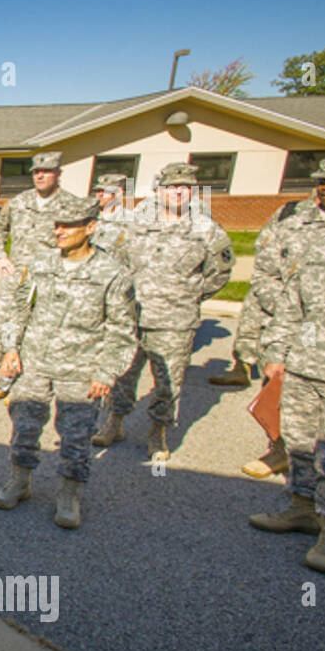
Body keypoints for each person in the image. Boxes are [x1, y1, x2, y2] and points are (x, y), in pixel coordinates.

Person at [0, 197, 137, 528]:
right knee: (25, 425)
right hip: (34, 362)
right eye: (57, 225)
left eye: (68, 225)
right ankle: (19, 481)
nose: (59, 231)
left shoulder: (112, 274)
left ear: (90, 227)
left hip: (82, 369)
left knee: (76, 435)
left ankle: (69, 494)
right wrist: (11, 349)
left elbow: (122, 330)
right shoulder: (40, 264)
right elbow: (18, 309)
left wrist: (107, 372)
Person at [219, 156, 325, 479]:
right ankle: (292, 480)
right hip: (300, 339)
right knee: (293, 421)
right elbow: (272, 276)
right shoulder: (297, 222)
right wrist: (280, 335)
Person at [251, 170, 325, 573]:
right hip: (305, 368)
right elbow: (294, 308)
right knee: (298, 444)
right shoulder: (321, 249)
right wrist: (278, 350)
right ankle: (301, 509)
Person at [93, 162, 233, 460]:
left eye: (185, 187)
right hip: (132, 317)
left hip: (175, 322)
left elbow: (220, 273)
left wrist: (189, 294)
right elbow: (115, 264)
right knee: (121, 375)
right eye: (171, 187)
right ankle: (113, 423)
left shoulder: (207, 230)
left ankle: (157, 433)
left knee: (168, 382)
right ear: (159, 191)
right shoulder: (134, 225)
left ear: (193, 192)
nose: (178, 192)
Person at [0, 151, 82, 399]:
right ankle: (6, 372)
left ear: (58, 174)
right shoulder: (19, 202)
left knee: (40, 332)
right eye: (36, 172)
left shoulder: (71, 205)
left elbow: (82, 242)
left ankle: (28, 383)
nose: (40, 176)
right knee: (4, 328)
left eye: (46, 171)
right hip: (17, 277)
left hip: (51, 280)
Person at [89, 173, 134, 254]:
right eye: (98, 191)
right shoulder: (87, 216)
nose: (100, 194)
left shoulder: (130, 219)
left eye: (105, 191)